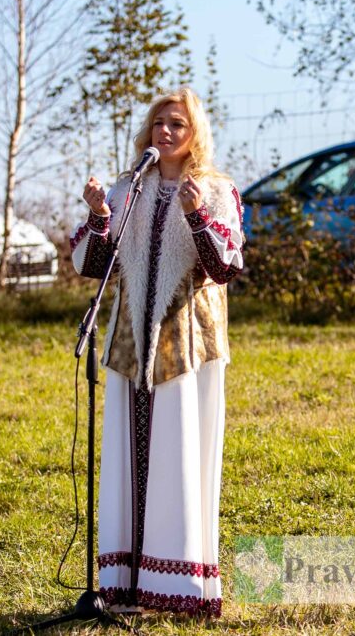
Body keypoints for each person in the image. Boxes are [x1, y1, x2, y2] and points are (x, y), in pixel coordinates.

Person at [69, 87, 244, 617]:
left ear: (195, 135)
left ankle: (179, 585)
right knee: (129, 455)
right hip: (129, 340)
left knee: (179, 454)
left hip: (185, 340)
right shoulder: (130, 187)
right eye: (159, 123)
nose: (165, 132)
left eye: (177, 124)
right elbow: (92, 265)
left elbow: (227, 266)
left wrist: (196, 215)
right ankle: (123, 584)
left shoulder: (215, 189)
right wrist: (100, 213)